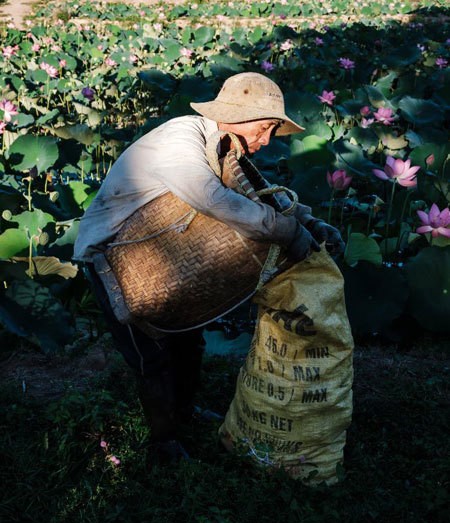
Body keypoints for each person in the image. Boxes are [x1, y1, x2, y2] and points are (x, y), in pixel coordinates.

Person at [73, 72, 344, 463]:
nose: (267, 141)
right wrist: (287, 233)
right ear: (238, 116)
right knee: (152, 357)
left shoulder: (225, 146)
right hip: (112, 256)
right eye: (266, 128)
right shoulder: (179, 141)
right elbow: (212, 197)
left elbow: (258, 192)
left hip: (161, 252)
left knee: (188, 340)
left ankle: (183, 413)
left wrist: (309, 222)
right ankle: (164, 446)